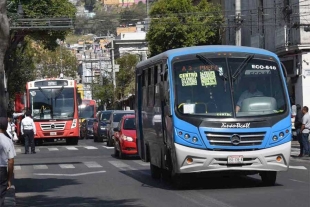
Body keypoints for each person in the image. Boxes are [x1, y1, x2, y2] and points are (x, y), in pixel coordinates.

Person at [0, 117, 15, 207]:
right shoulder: (8, 141)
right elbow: (11, 161)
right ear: (6, 127)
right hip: (2, 170)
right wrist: (9, 178)